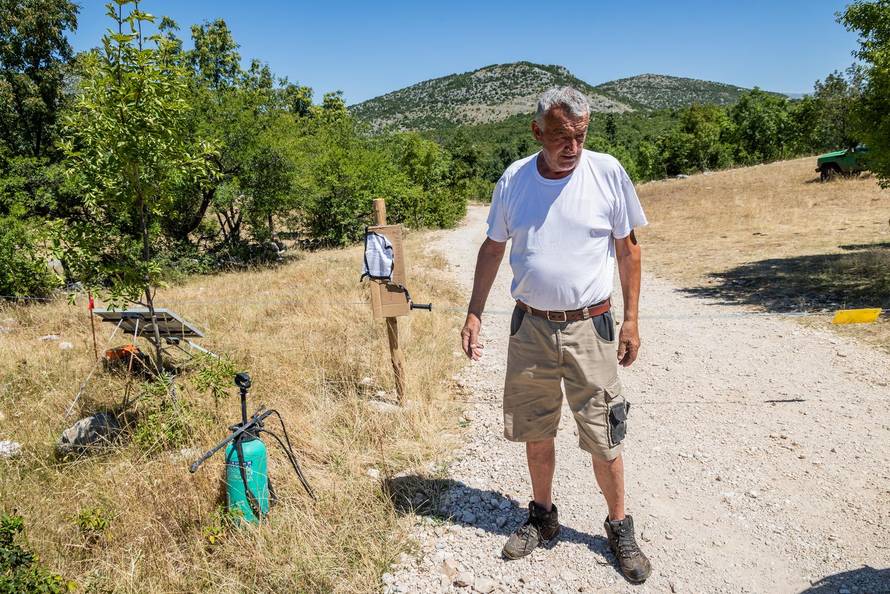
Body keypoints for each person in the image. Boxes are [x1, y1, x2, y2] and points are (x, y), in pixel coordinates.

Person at [459, 86, 651, 583]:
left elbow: (628, 250)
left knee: (605, 433)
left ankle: (618, 526)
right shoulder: (514, 179)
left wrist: (631, 319)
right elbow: (492, 248)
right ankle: (542, 516)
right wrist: (474, 312)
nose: (573, 146)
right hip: (531, 327)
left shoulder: (607, 172)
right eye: (563, 136)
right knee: (536, 428)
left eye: (581, 135)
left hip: (591, 325)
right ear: (536, 131)